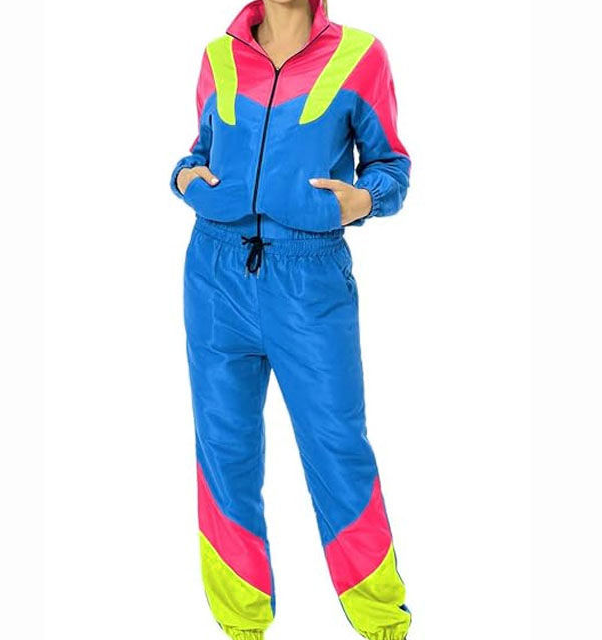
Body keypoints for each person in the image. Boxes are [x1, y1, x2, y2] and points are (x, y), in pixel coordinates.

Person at [170, 1, 412, 639]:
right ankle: (241, 625)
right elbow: (200, 151)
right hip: (214, 274)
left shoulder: (360, 55)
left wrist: (365, 199)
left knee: (337, 448)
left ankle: (382, 622)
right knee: (224, 451)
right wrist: (185, 177)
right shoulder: (218, 57)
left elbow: (392, 166)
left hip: (310, 283)